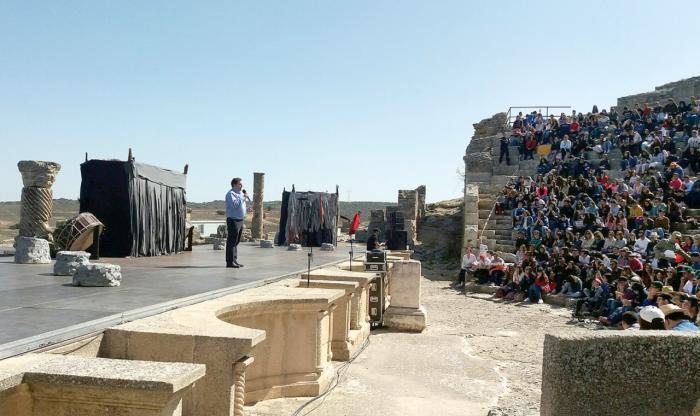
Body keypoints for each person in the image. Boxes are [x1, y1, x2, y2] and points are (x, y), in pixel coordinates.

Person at [225, 177, 247, 268]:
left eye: (242, 184)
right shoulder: (231, 194)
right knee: (232, 241)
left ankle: (234, 260)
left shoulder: (240, 194)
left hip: (240, 219)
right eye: (240, 184)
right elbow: (235, 205)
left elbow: (240, 206)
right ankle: (229, 262)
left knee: (236, 241)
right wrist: (243, 197)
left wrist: (246, 209)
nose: (242, 186)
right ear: (234, 184)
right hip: (233, 220)